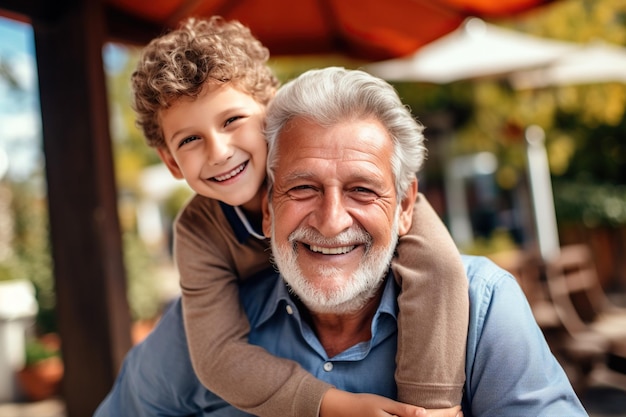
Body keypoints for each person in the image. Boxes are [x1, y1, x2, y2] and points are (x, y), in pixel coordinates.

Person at [95, 66, 588, 417]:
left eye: (362, 190)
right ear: (269, 205)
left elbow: (440, 266)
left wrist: (432, 406)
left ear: (405, 207)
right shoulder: (198, 325)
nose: (331, 222)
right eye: (303, 188)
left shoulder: (481, 305)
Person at [126, 16, 468, 417]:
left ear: (270, 115)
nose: (218, 152)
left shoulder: (332, 168)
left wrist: (428, 407)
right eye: (190, 140)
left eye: (232, 121)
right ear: (170, 162)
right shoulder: (199, 231)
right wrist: (332, 406)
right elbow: (219, 357)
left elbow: (439, 268)